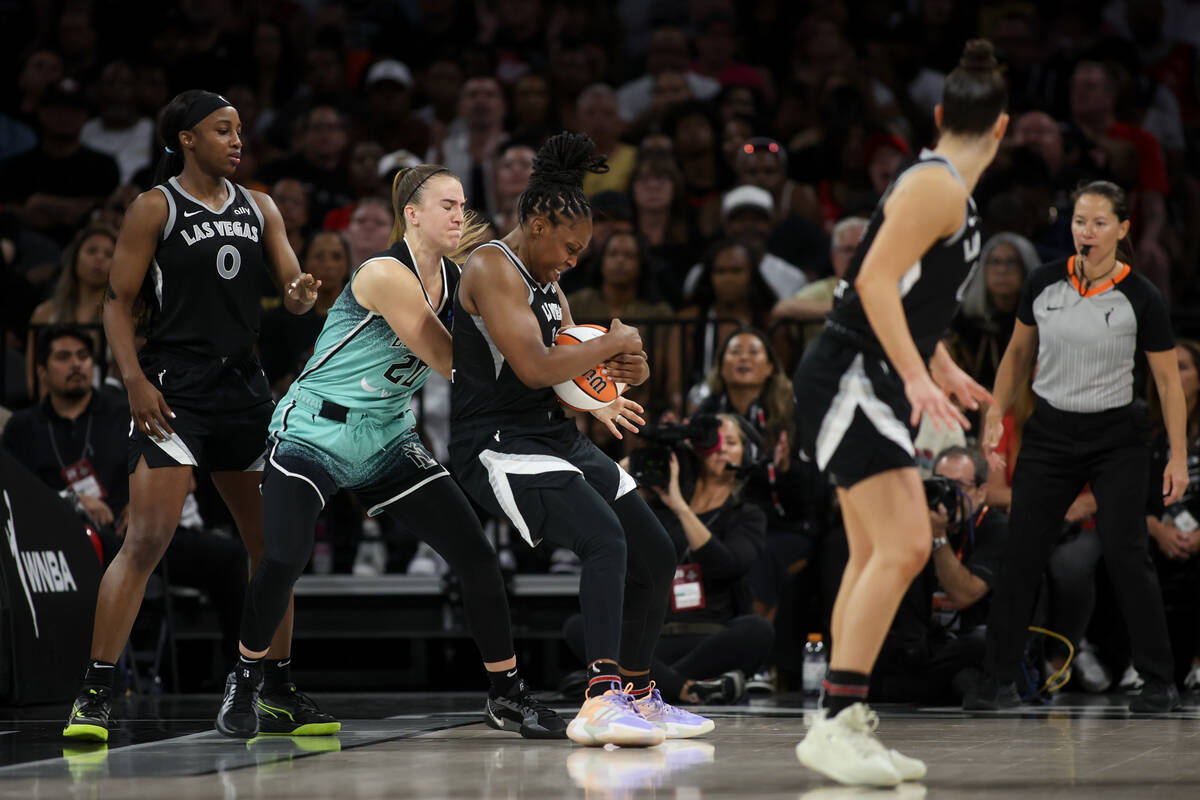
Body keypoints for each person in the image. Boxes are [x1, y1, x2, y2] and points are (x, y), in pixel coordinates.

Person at [214, 163, 566, 740]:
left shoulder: (457, 278)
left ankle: (506, 693)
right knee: (284, 556)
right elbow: (450, 359)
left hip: (387, 436)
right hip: (315, 431)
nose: (460, 215)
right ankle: (250, 681)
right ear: (412, 215)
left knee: (476, 555)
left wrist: (565, 350)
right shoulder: (383, 273)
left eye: (463, 206)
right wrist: (553, 374)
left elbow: (515, 300)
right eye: (448, 205)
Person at [62, 90, 327, 743]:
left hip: (244, 390)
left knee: (276, 548)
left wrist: (298, 293)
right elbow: (117, 305)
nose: (238, 140)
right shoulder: (155, 206)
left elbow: (293, 290)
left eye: (240, 129)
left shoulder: (260, 205)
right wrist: (133, 382)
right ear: (187, 138)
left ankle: (277, 690)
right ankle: (95, 694)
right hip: (175, 389)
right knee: (148, 539)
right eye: (223, 130)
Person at [449, 131, 713, 747]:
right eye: (570, 247)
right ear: (538, 222)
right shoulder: (492, 266)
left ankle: (641, 695)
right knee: (603, 539)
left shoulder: (550, 283)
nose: (574, 260)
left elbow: (574, 370)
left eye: (581, 251)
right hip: (497, 442)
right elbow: (538, 368)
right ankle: (600, 698)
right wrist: (614, 342)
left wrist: (622, 378)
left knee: (656, 553)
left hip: (555, 435)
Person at [792, 40, 1006, 787]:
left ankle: (840, 720)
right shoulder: (938, 187)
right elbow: (872, 282)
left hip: (869, 376)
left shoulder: (945, 190)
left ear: (943, 114)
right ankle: (836, 720)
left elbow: (910, 297)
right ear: (1002, 128)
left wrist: (938, 364)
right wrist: (917, 376)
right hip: (854, 374)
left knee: (876, 551)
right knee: (908, 546)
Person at [972, 179, 1188, 714]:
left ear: (1121, 229)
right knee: (1021, 552)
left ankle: (1159, 679)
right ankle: (998, 680)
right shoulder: (1043, 282)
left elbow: (1166, 384)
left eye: (1097, 223)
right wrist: (994, 420)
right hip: (1049, 433)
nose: (1085, 233)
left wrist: (1178, 456)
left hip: (1117, 437)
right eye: (1078, 222)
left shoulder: (1141, 295)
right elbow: (1017, 357)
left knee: (1126, 551)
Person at [4, 325, 248, 660]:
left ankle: (243, 673)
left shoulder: (126, 411)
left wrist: (143, 502)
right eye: (63, 357)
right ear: (43, 371)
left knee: (230, 557)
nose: (76, 365)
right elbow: (15, 496)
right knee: (108, 544)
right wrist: (73, 501)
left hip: (137, 531)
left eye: (83, 356)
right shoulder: (23, 427)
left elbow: (173, 462)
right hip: (65, 542)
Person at [872, 446, 1006, 704]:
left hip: (973, 636)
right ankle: (956, 685)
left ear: (981, 492)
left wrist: (938, 538)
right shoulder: (916, 526)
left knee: (980, 644)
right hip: (932, 645)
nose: (947, 495)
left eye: (957, 486)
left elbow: (963, 594)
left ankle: (947, 685)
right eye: (939, 485)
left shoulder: (996, 529)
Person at [25, 224, 116, 398]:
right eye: (91, 251)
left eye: (109, 254)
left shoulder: (128, 318)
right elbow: (34, 379)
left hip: (108, 412)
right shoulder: (43, 314)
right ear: (75, 257)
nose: (99, 258)